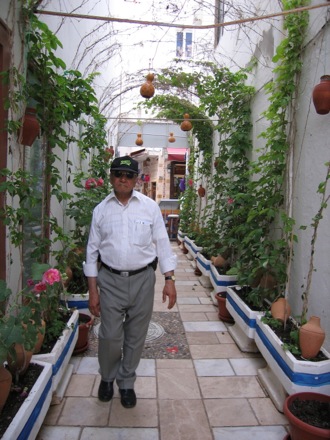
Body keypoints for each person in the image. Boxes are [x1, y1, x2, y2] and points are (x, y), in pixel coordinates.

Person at [83, 155, 177, 408]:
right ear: (112, 177)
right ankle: (107, 377)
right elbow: (91, 253)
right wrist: (93, 291)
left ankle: (126, 382)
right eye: (118, 174)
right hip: (110, 281)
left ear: (136, 180)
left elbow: (162, 243)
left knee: (136, 336)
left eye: (128, 175)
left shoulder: (149, 207)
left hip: (143, 280)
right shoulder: (101, 210)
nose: (123, 179)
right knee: (110, 336)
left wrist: (169, 279)